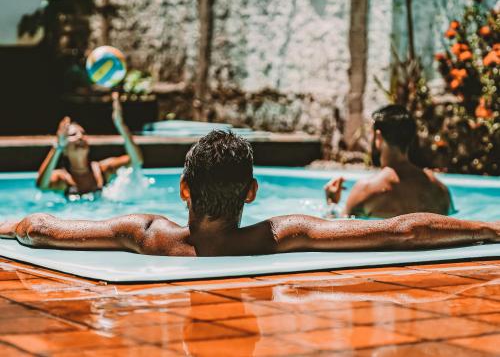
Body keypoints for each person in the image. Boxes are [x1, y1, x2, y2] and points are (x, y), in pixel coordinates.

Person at [0, 131, 498, 256]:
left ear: (183, 188)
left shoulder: (147, 233)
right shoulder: (281, 235)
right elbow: (404, 231)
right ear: (254, 191)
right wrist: (491, 228)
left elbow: (38, 228)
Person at [325, 105, 452, 218]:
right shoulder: (440, 190)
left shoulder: (366, 189)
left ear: (378, 137)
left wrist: (332, 204)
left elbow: (337, 232)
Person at [36, 92, 143, 197]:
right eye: (73, 134)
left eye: (83, 133)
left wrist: (120, 124)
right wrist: (58, 147)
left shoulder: (103, 170)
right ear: (64, 150)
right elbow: (42, 185)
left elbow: (136, 161)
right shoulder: (62, 178)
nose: (80, 136)